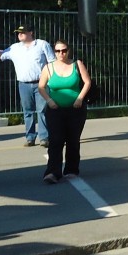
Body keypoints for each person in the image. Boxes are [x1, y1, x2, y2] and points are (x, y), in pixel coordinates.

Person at [38, 39, 92, 183]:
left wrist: (80, 98)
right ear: (54, 52)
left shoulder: (76, 64)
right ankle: (52, 172)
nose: (61, 53)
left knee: (73, 140)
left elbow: (87, 82)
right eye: (57, 51)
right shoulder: (48, 68)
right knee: (56, 140)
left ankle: (71, 169)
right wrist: (49, 101)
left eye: (64, 50)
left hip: (75, 110)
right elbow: (41, 87)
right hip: (55, 110)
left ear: (68, 50)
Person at [0, 25, 53, 147]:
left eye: (22, 32)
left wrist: (51, 81)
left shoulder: (41, 44)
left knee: (42, 111)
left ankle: (44, 137)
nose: (19, 34)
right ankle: (30, 138)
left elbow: (52, 62)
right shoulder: (15, 48)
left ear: (31, 33)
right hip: (24, 84)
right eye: (18, 33)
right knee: (27, 111)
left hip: (41, 83)